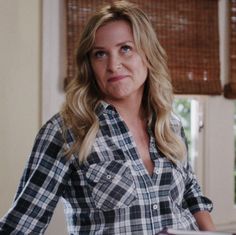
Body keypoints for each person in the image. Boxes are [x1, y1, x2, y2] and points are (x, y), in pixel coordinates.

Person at [0, 1, 215, 234]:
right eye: (100, 54)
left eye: (125, 49)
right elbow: (20, 227)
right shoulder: (66, 131)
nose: (113, 65)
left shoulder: (169, 123)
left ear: (148, 54)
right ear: (89, 65)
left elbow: (191, 192)